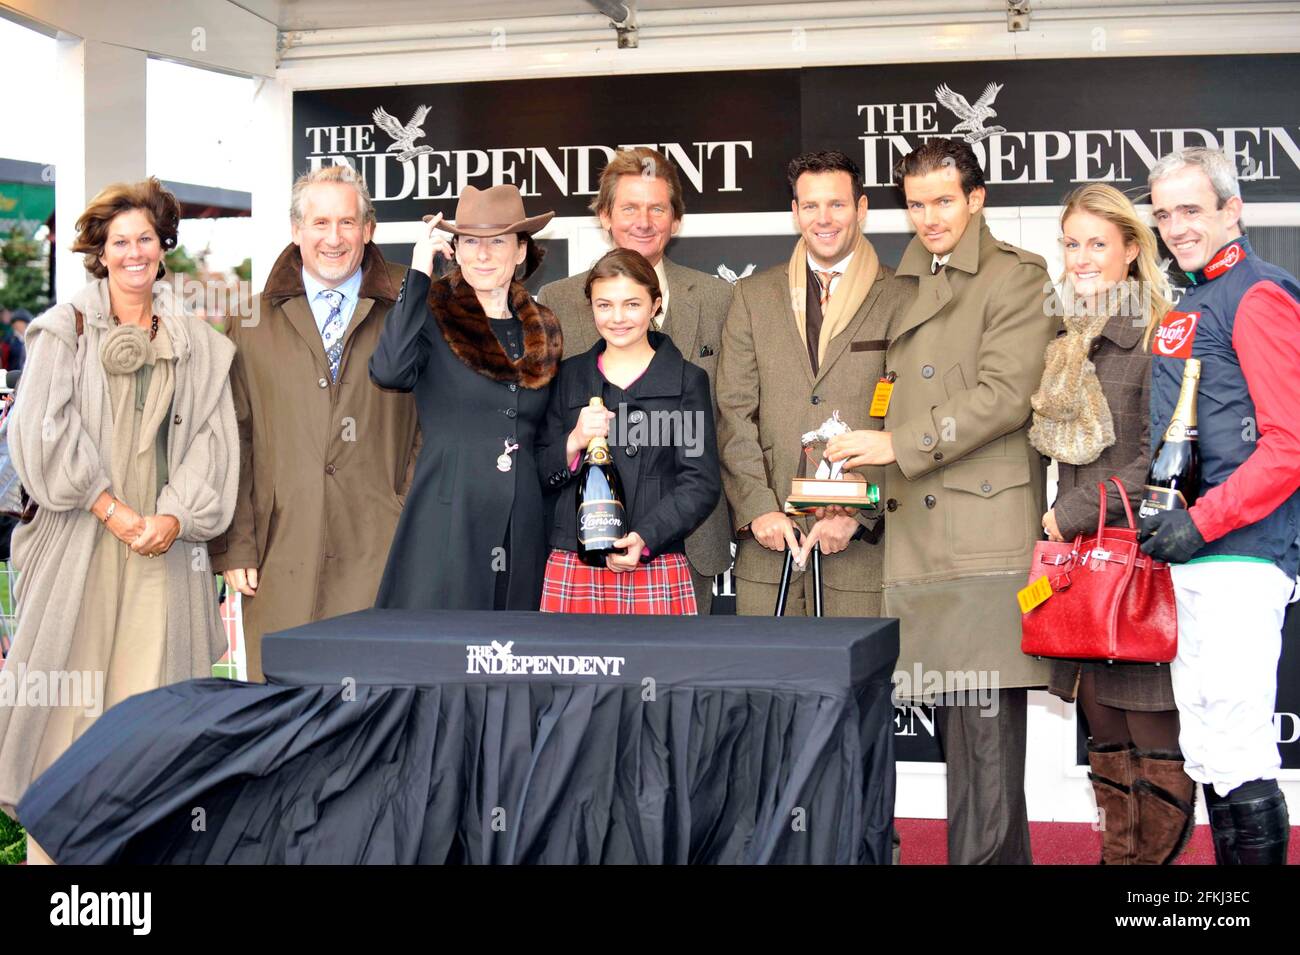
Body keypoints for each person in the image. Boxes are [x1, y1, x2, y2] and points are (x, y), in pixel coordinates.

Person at [827, 138, 1058, 865]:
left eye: (944, 201)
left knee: (985, 746)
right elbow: (893, 397)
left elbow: (1004, 397)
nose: (930, 217)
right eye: (917, 203)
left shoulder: (1019, 277)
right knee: (970, 749)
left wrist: (894, 445)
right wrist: (858, 487)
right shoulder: (909, 279)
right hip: (923, 534)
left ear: (977, 198)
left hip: (982, 540)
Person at [0, 178, 238, 862]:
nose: (134, 253)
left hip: (163, 552)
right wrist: (110, 507)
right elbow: (40, 434)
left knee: (151, 715)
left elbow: (214, 443)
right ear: (99, 253)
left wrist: (170, 516)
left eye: (145, 240)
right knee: (67, 713)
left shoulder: (198, 340)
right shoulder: (61, 331)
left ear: (164, 249)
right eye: (119, 242)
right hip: (82, 543)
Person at [1138, 147, 1300, 865]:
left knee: (1237, 746)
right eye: (1164, 212)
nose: (1176, 226)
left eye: (1192, 209)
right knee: (1206, 745)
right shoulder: (1186, 303)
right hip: (1193, 558)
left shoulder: (1259, 293)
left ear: (1232, 210)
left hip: (1241, 553)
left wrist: (1200, 520)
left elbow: (1289, 445)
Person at [1030, 183, 1192, 865]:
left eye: (1098, 243)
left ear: (1131, 249)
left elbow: (1161, 459)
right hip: (1080, 578)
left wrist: (1066, 515)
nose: (1083, 257)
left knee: (1149, 737)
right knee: (1103, 737)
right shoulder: (1069, 339)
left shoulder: (1159, 333)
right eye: (1072, 244)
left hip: (1138, 567)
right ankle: (1118, 862)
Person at [208, 164, 420, 682]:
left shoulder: (413, 310)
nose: (334, 237)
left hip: (381, 548)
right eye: (319, 223)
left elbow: (428, 430)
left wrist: (406, 516)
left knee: (377, 712)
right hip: (282, 554)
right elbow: (236, 437)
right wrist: (237, 544)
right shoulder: (248, 322)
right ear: (296, 230)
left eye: (347, 223)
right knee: (281, 713)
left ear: (369, 230)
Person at [538, 147, 733, 612]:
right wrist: (571, 442)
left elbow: (734, 416)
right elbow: (542, 441)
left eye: (656, 208)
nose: (643, 221)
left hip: (681, 546)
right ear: (605, 216)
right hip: (577, 545)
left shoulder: (720, 298)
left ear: (676, 219)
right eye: (628, 207)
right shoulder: (558, 300)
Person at [717, 150, 908, 618]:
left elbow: (913, 421)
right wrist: (759, 508)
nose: (824, 219)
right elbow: (733, 413)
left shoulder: (905, 295)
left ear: (861, 209)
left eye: (837, 205)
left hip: (863, 554)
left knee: (858, 690)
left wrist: (859, 513)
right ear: (795, 212)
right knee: (765, 689)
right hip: (769, 551)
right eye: (810, 205)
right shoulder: (751, 296)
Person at [370, 184, 562, 610]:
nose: (483, 254)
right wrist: (419, 273)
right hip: (448, 517)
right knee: (444, 659)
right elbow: (389, 371)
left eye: (498, 242)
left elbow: (546, 438)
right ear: (454, 249)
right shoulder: (431, 311)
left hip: (523, 522)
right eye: (471, 242)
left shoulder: (544, 328)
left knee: (513, 661)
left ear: (520, 251)